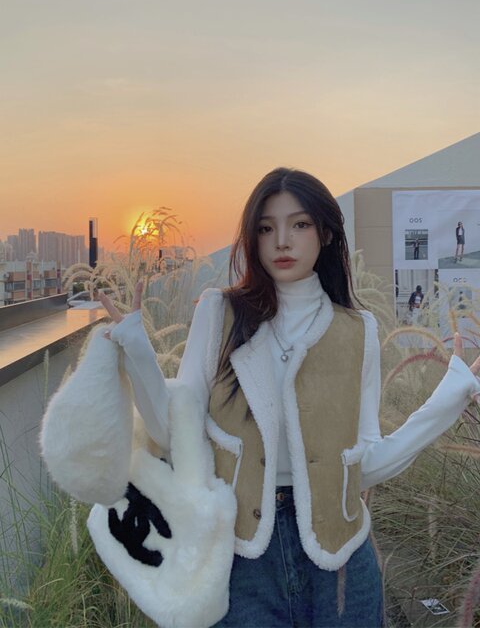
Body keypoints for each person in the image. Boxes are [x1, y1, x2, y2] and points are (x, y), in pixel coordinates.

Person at [99, 168, 480, 628]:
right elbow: (173, 433)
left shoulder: (357, 331)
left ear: (325, 233)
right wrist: (137, 351)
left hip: (341, 561)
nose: (282, 241)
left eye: (299, 224)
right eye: (266, 228)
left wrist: (449, 398)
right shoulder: (220, 313)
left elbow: (365, 462)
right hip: (240, 558)